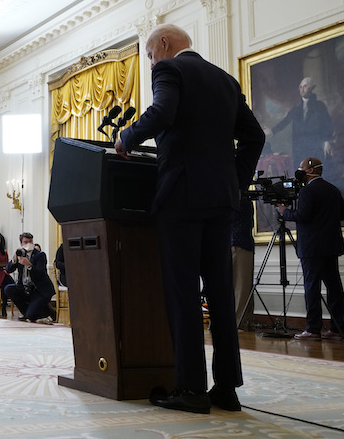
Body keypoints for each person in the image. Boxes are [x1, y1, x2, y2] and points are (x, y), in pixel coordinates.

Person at [114, 24, 265, 414]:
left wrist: (126, 138)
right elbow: (255, 137)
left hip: (181, 197)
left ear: (163, 45)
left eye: (149, 55)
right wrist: (234, 180)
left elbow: (163, 112)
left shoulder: (169, 70)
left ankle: (192, 389)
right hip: (220, 201)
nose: (151, 63)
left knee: (182, 292)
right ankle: (227, 389)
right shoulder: (227, 81)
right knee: (218, 294)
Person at [276, 157, 344, 341]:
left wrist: (285, 212)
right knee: (334, 287)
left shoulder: (308, 191)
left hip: (312, 248)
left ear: (310, 171)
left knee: (312, 287)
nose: (299, 171)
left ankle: (313, 329)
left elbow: (302, 216)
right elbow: (343, 214)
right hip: (331, 246)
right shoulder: (333, 189)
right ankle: (338, 327)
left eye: (301, 168)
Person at [264, 77, 333, 173]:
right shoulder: (296, 108)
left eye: (305, 86)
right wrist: (271, 131)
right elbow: (285, 121)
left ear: (312, 88)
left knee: (315, 171)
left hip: (315, 145)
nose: (302, 89)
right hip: (299, 147)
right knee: (301, 172)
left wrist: (327, 140)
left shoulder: (320, 106)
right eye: (300, 87)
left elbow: (327, 123)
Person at [5, 232, 56, 323]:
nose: (28, 244)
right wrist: (14, 259)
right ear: (21, 244)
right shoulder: (20, 253)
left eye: (30, 241)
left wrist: (29, 265)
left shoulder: (40, 255)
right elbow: (8, 270)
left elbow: (41, 273)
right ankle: (27, 311)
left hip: (39, 289)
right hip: (25, 288)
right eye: (25, 242)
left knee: (31, 316)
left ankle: (48, 311)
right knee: (8, 289)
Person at [232, 196, 255, 330]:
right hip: (241, 244)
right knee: (243, 285)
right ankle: (243, 321)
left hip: (238, 244)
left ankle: (239, 322)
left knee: (241, 286)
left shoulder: (238, 200)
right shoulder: (244, 200)